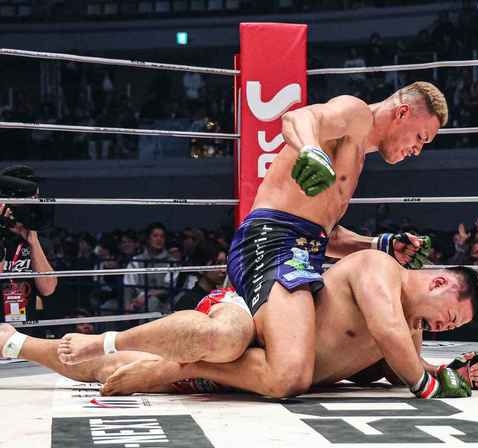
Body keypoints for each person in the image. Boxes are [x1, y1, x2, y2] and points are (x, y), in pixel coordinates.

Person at [59, 81, 448, 397]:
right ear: (402, 112)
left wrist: (379, 244)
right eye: (421, 136)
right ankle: (168, 366)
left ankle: (112, 355)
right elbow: (297, 117)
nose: (417, 149)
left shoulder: (358, 154)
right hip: (272, 243)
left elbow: (322, 234)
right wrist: (310, 150)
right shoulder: (356, 113)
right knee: (290, 374)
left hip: (301, 252)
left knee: (270, 357)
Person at [2, 250, 478, 399]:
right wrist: (430, 383)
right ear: (440, 282)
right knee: (218, 338)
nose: (445, 327)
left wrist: (451, 370)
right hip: (251, 320)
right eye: (451, 316)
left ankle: (15, 342)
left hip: (251, 372)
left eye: (453, 328)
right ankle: (107, 339)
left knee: (118, 374)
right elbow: (388, 337)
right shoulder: (379, 270)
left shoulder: (410, 333)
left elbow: (398, 367)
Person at [0, 165, 57, 333]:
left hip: (25, 331)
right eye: (29, 198)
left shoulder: (38, 241)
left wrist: (33, 241)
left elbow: (48, 288)